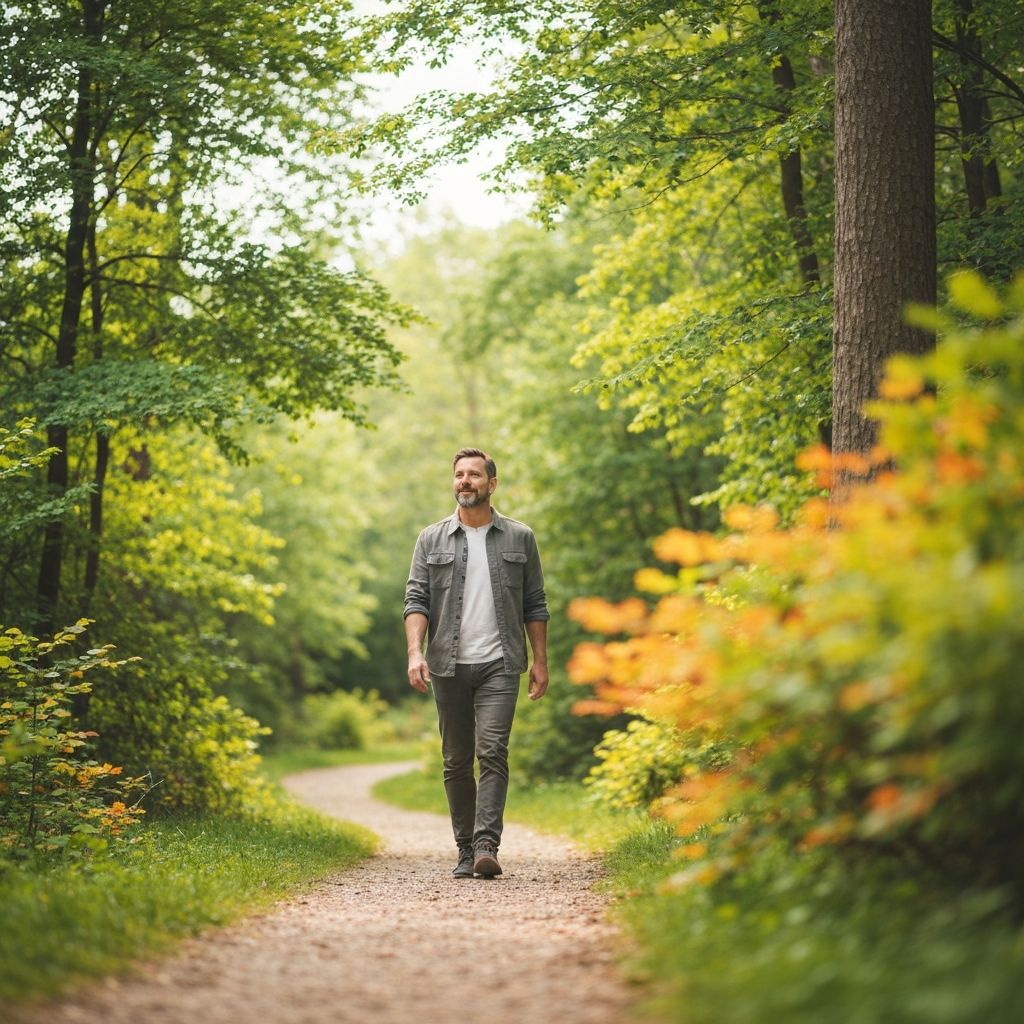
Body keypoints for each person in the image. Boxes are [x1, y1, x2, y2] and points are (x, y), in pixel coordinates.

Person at [404, 447, 549, 879]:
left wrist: (540, 661)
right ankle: (464, 849)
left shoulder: (520, 537)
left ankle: (487, 844)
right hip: (447, 663)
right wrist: (415, 651)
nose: (465, 481)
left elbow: (536, 604)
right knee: (455, 759)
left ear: (492, 483)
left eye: (474, 475)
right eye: (459, 475)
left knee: (492, 751)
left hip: (500, 663)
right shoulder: (431, 539)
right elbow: (416, 599)